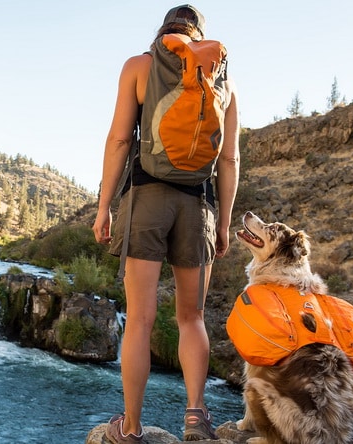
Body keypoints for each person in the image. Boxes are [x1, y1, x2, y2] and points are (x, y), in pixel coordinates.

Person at [92, 4, 240, 443]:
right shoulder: (224, 84)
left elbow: (120, 138)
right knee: (191, 317)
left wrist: (104, 207)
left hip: (146, 199)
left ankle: (132, 428)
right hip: (199, 207)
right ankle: (196, 416)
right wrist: (225, 223)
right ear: (201, 40)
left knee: (138, 319)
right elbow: (229, 158)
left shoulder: (139, 66)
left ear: (165, 31)